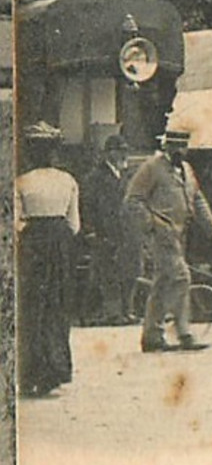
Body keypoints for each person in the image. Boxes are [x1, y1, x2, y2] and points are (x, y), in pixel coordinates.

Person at [124, 129, 212, 353]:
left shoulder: (187, 170)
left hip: (181, 235)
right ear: (167, 146)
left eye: (184, 146)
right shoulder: (151, 167)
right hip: (162, 236)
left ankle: (151, 336)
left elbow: (198, 200)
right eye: (175, 146)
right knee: (181, 278)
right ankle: (184, 333)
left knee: (162, 283)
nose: (180, 150)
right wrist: (152, 224)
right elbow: (133, 200)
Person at [16, 122, 82, 396]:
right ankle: (54, 371)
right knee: (57, 304)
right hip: (60, 244)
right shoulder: (67, 180)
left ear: (31, 152)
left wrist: (31, 233)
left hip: (32, 244)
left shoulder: (21, 181)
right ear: (54, 152)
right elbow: (74, 224)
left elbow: (13, 222)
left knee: (32, 307)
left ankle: (32, 371)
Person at [82, 133, 140, 324]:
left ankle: (127, 310)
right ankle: (113, 313)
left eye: (125, 151)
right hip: (105, 233)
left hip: (128, 233)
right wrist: (91, 231)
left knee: (129, 271)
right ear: (108, 153)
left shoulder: (128, 177)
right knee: (108, 273)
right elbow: (87, 207)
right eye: (119, 151)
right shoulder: (95, 178)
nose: (124, 155)